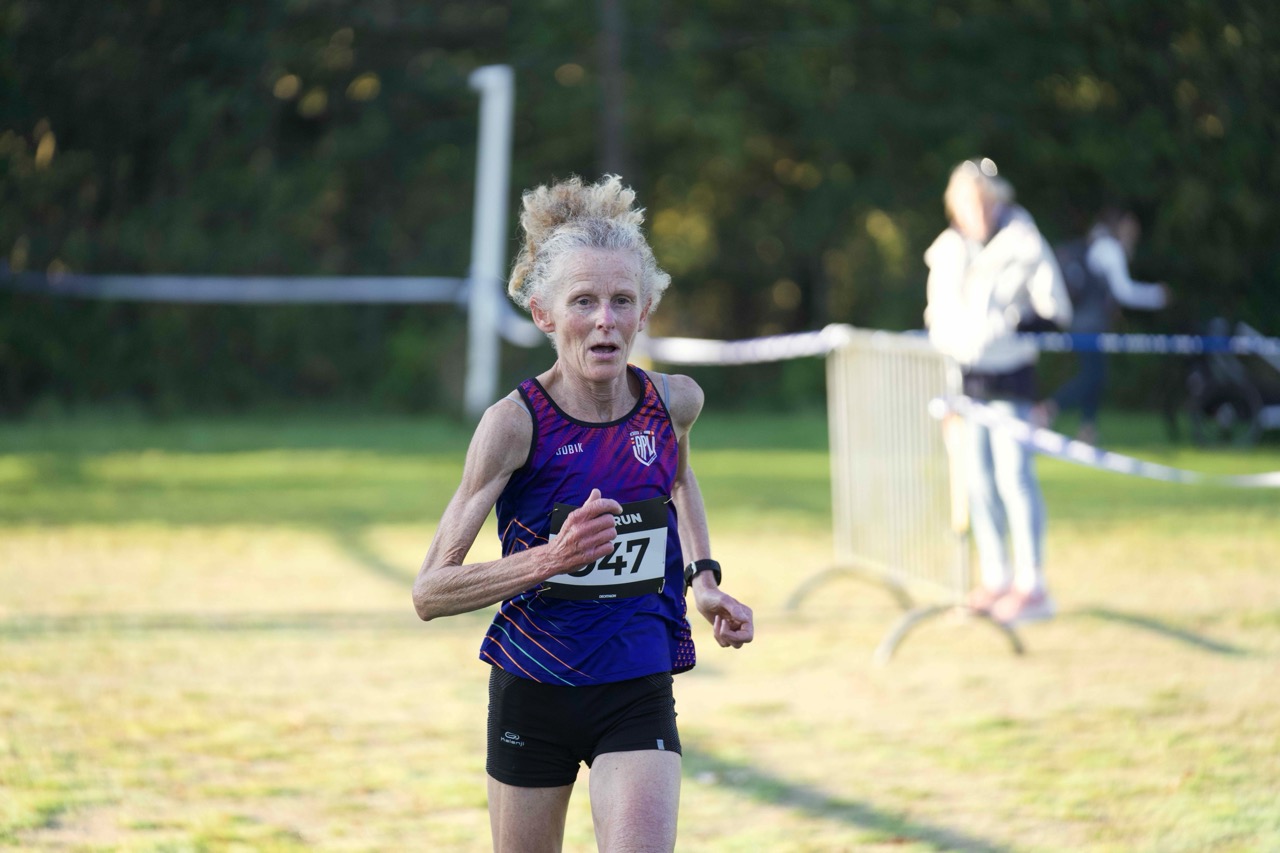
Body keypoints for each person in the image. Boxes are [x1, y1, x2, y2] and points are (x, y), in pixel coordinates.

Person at [412, 174, 754, 853]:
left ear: (645, 309)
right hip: (534, 687)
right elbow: (430, 591)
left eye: (622, 300)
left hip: (636, 683)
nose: (605, 319)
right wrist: (553, 558)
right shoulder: (513, 425)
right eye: (584, 301)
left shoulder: (674, 404)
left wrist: (705, 579)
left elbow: (678, 481)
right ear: (544, 313)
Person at [923, 158, 1072, 625]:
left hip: (1012, 379)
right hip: (965, 383)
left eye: (986, 202)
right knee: (978, 481)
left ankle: (1033, 585)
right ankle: (997, 578)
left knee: (1015, 478)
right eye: (970, 204)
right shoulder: (947, 249)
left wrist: (1014, 323)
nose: (979, 212)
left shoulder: (1024, 242)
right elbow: (937, 321)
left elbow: (1055, 311)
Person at [1045, 209, 1170, 444]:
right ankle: (1050, 409)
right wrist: (1157, 295)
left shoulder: (1097, 242)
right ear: (1120, 225)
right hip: (1089, 324)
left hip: (1082, 321)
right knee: (1093, 376)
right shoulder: (1110, 248)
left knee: (1095, 375)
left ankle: (1087, 428)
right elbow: (1124, 292)